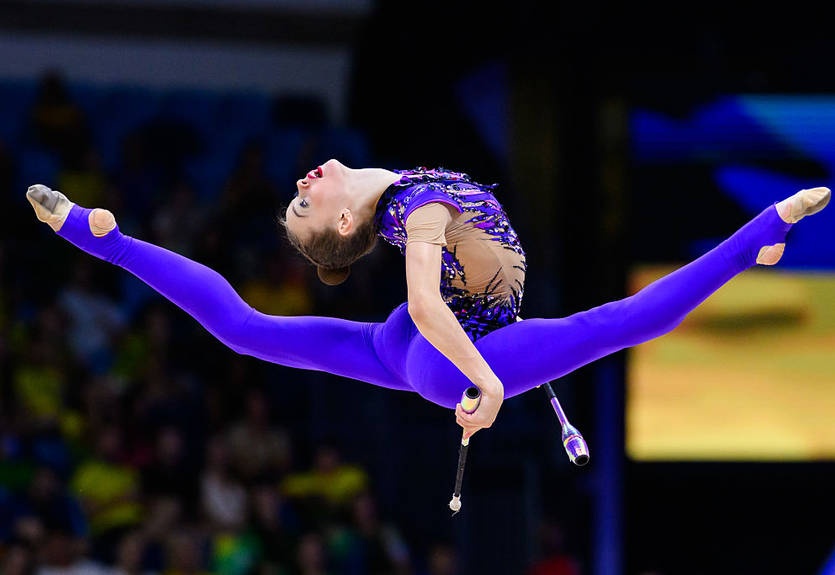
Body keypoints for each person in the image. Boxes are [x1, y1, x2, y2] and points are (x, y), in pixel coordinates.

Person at [25, 160, 830, 440]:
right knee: (619, 322)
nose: (302, 182)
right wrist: (485, 381)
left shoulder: (402, 189)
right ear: (346, 222)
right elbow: (423, 301)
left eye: (296, 198)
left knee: (248, 331)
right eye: (304, 203)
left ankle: (100, 238)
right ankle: (758, 234)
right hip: (444, 354)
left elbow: (420, 308)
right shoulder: (415, 210)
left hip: (404, 344)